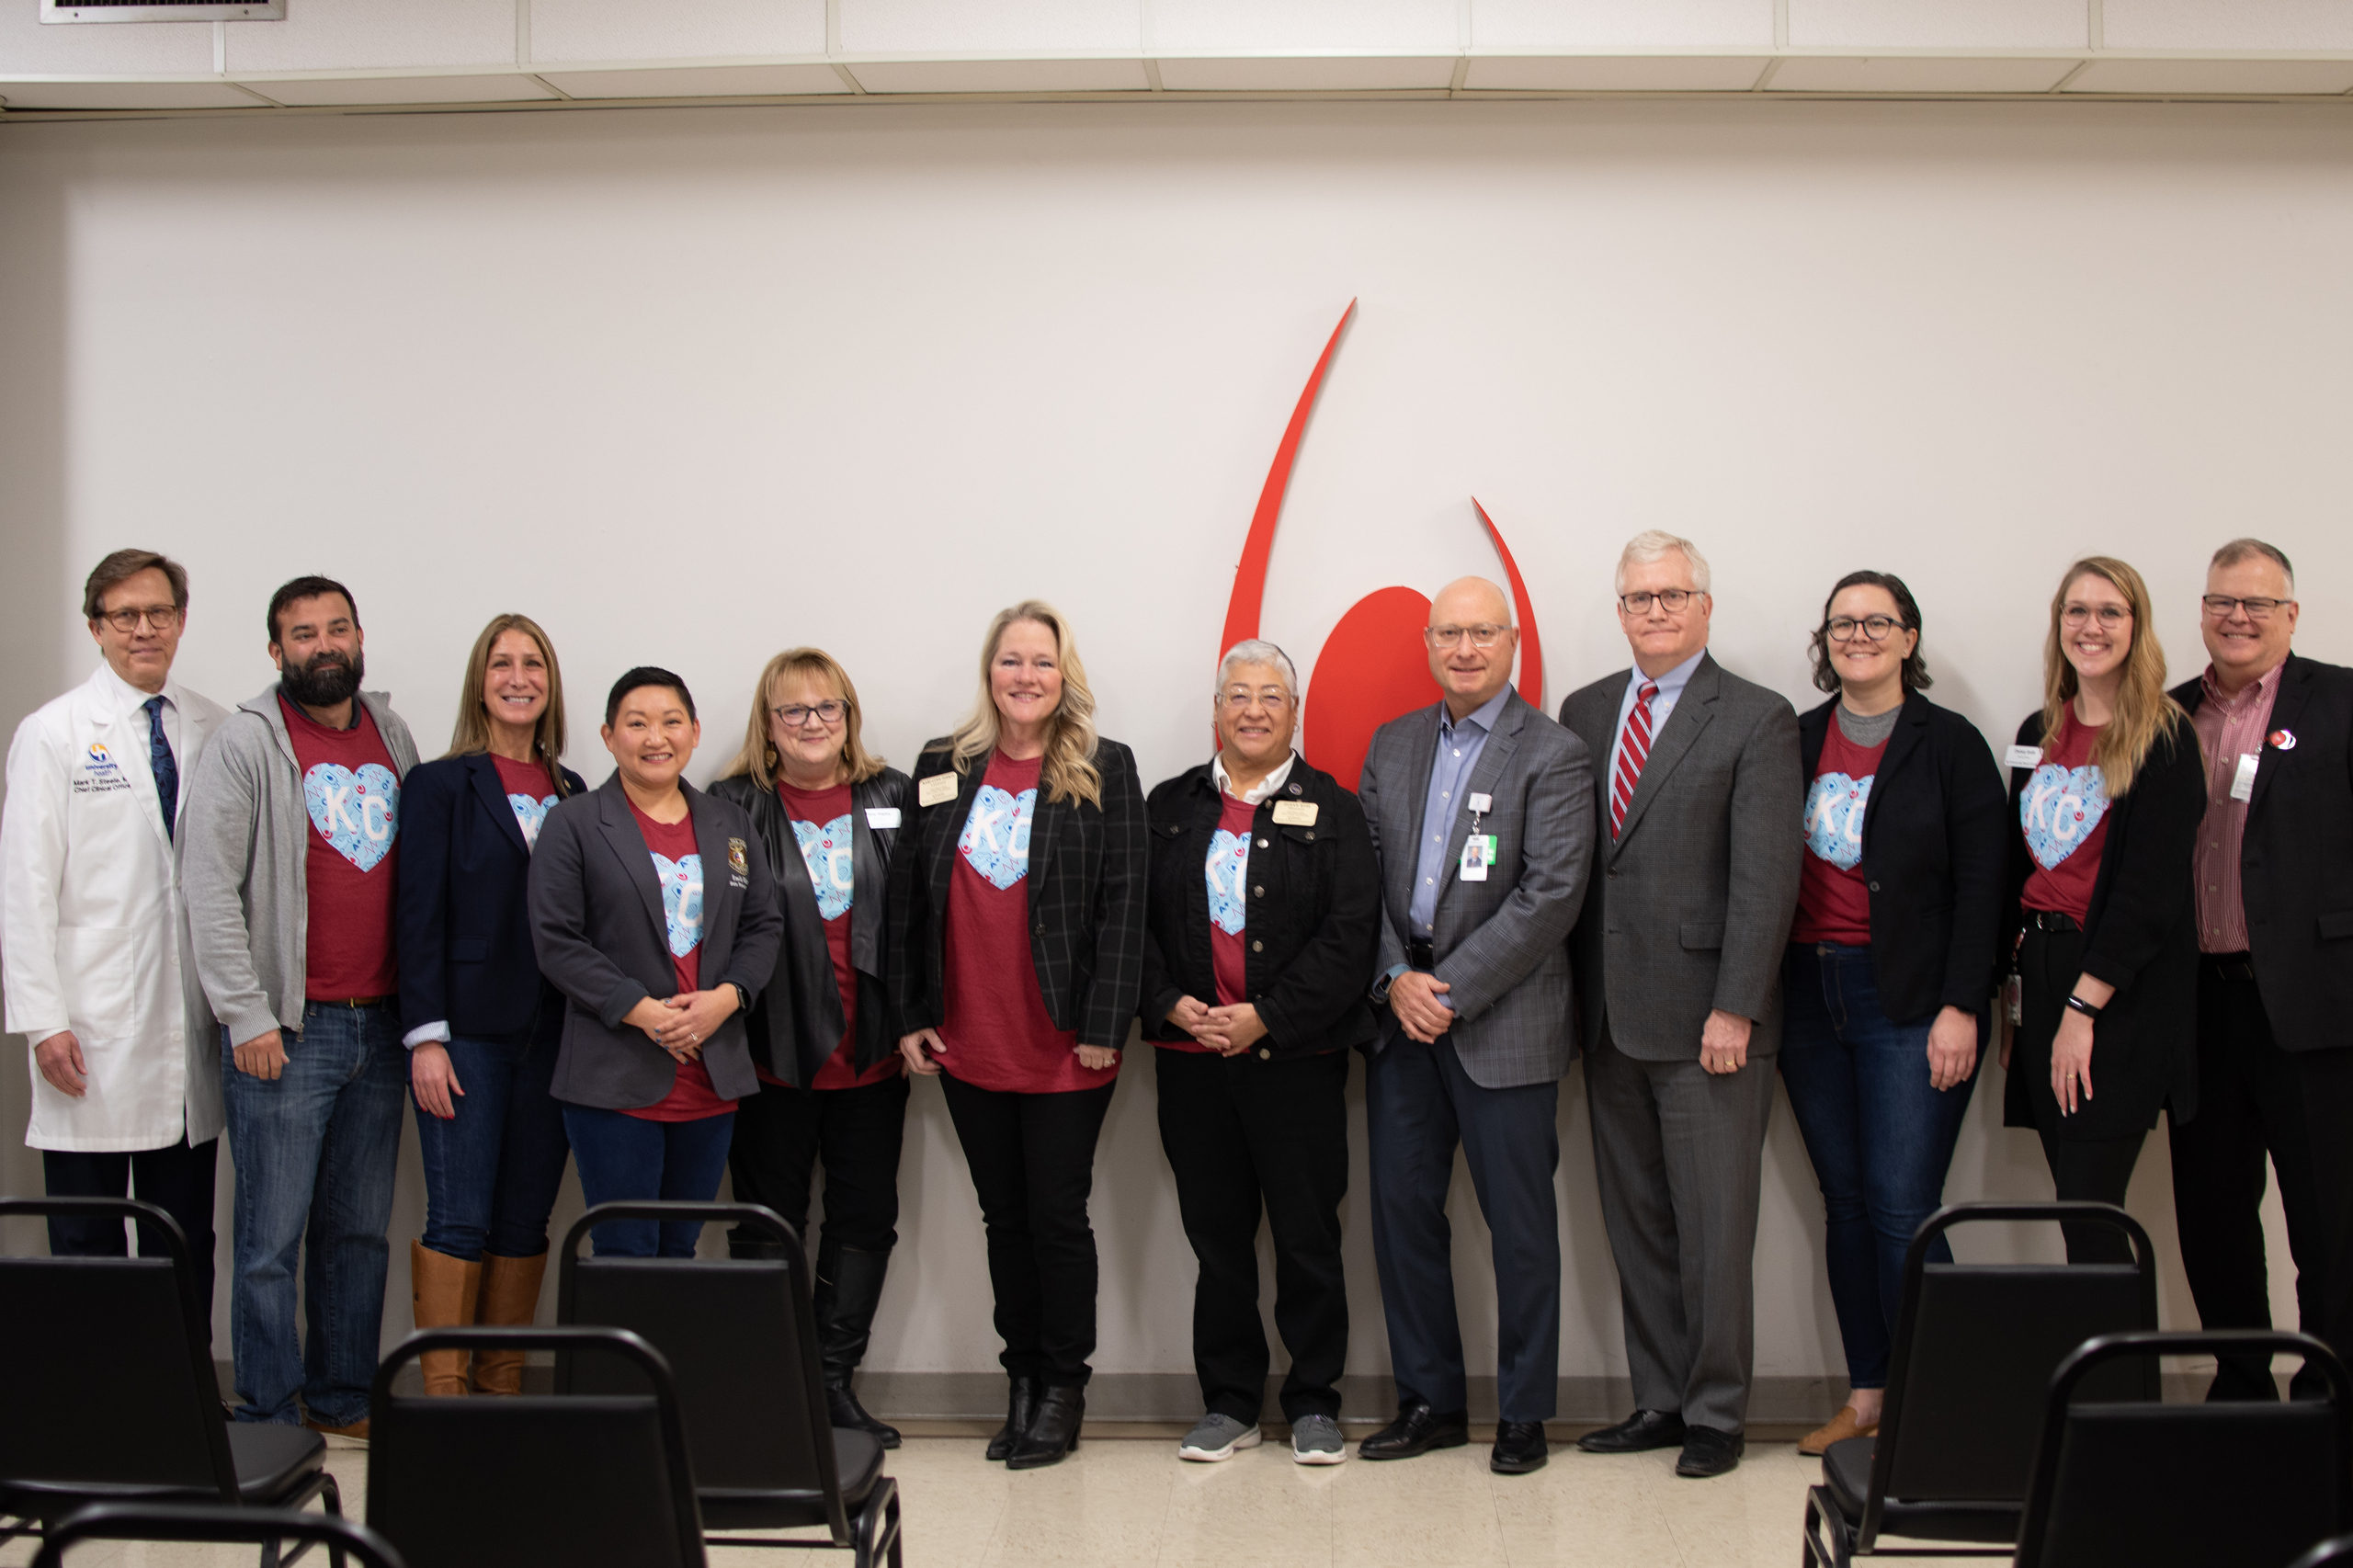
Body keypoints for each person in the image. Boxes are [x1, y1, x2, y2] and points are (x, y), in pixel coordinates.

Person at [1558, 530, 1802, 1480]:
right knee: (1638, 1225)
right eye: (1637, 597)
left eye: (1671, 595)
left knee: (1713, 1229)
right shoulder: (1584, 710)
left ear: (1705, 606)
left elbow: (1765, 878)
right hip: (1608, 1016)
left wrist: (1736, 1005)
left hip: (1710, 1022)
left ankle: (1715, 1412)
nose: (1653, 611)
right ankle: (1658, 1399)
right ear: (1618, 610)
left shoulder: (1755, 716)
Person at [889, 600, 1147, 1471]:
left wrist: (1106, 1022)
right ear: (989, 671)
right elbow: (908, 899)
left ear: (1063, 674)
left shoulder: (1105, 766)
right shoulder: (943, 765)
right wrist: (912, 1014)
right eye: (1011, 660)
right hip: (969, 1039)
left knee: (1057, 1219)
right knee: (1003, 1220)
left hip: (1067, 1043)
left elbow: (1125, 904)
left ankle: (1065, 1387)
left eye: (1042, 661)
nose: (1025, 676)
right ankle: (1022, 1382)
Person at [1354, 577, 1594, 1477]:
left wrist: (1445, 991)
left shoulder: (1554, 753)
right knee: (1403, 1217)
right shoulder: (1394, 743)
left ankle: (1523, 1411)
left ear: (1512, 641)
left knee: (1520, 1229)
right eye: (1449, 633)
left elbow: (1551, 894)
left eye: (1482, 633)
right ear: (1428, 643)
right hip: (1401, 1018)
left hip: (1504, 1020)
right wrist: (1394, 980)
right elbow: (1361, 877)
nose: (1464, 649)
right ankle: (1431, 1402)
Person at [181, 575, 421, 1437]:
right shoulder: (248, 742)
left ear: (359, 638)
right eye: (304, 633)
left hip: (381, 1024)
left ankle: (342, 1397)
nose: (324, 645)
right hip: (288, 1028)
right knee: (271, 1239)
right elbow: (207, 886)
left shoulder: (392, 733)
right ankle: (269, 1408)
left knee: (357, 1232)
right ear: (276, 650)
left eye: (337, 628)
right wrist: (245, 1014)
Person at [1780, 572, 2007, 1456]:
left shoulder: (1949, 745)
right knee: (1845, 1204)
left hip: (1910, 1001)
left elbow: (1986, 885)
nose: (1859, 636)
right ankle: (1870, 1397)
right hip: (1807, 998)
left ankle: (1943, 1416)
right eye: (1842, 623)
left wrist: (1962, 1005)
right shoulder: (1795, 738)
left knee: (1904, 1209)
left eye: (1878, 622)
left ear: (1910, 638)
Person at [1140, 640, 1381, 1468]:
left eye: (1271, 696)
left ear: (1294, 712)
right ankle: (1230, 1403)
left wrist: (1267, 1018)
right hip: (1191, 1061)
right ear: (1216, 710)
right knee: (1218, 1242)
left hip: (1298, 1064)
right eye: (1237, 695)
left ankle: (1314, 1403)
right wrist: (1167, 1001)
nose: (1252, 710)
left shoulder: (1334, 808)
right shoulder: (1169, 804)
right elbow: (1130, 922)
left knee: (1309, 1239)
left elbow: (1351, 937)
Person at [4, 550, 229, 1312]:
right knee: (88, 1245)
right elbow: (24, 889)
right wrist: (43, 1023)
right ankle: (89, 1390)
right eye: (125, 615)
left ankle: (182, 1386)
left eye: (158, 613)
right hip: (87, 1033)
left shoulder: (216, 727)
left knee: (184, 1243)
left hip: (187, 1028)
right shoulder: (53, 732)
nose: (144, 629)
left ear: (181, 621)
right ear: (95, 627)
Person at [710, 648, 914, 1448]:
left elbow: (922, 921)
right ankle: (774, 1391)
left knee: (865, 1221)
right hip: (769, 1059)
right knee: (768, 1224)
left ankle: (831, 1382)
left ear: (849, 717)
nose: (812, 723)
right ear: (768, 725)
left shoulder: (892, 795)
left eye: (828, 707)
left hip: (873, 1058)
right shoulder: (730, 805)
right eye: (793, 710)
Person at [2165, 540, 2353, 1400]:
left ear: (2292, 615)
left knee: (2327, 1223)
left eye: (2257, 604)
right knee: (2213, 1219)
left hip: (2314, 1009)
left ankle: (2328, 1398)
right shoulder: (2168, 715)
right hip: (2200, 1007)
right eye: (2221, 601)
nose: (2237, 617)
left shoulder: (2339, 701)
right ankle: (2240, 1388)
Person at [527, 667, 783, 1261]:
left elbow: (762, 925)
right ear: (609, 736)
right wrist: (645, 1013)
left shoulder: (730, 823)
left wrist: (727, 999)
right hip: (615, 1076)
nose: (655, 738)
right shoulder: (574, 823)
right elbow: (557, 940)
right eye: (636, 724)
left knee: (680, 1251)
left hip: (711, 1076)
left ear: (694, 732)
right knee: (626, 1251)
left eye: (671, 722)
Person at [394, 614, 585, 1397]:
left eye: (533, 664)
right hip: (465, 1034)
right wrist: (425, 1037)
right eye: (502, 664)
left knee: (525, 1219)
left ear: (550, 683)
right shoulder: (440, 784)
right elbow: (416, 915)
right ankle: (445, 1400)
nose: (518, 678)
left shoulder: (574, 791)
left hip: (557, 1036)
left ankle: (500, 1388)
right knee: (459, 1218)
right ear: (480, 682)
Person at [2000, 556, 2203, 1263]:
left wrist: (2082, 1011)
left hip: (2114, 989)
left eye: (2110, 612)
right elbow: (2017, 868)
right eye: (2077, 611)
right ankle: (2103, 1340)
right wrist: (2014, 1001)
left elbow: (2151, 895)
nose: (2091, 626)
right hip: (2040, 973)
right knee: (2076, 1209)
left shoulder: (2164, 737)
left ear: (2136, 626)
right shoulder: (2038, 731)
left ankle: (2116, 1342)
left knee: (2090, 1214)